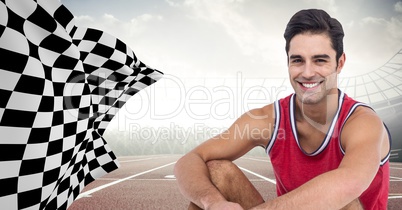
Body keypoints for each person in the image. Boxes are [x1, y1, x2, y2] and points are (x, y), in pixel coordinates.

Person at [174, 9, 391, 210]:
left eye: (319, 60)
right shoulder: (267, 119)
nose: (307, 72)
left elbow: (347, 185)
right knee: (216, 172)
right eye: (297, 60)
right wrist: (212, 203)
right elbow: (190, 160)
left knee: (344, 202)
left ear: (340, 63)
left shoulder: (363, 122)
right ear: (287, 63)